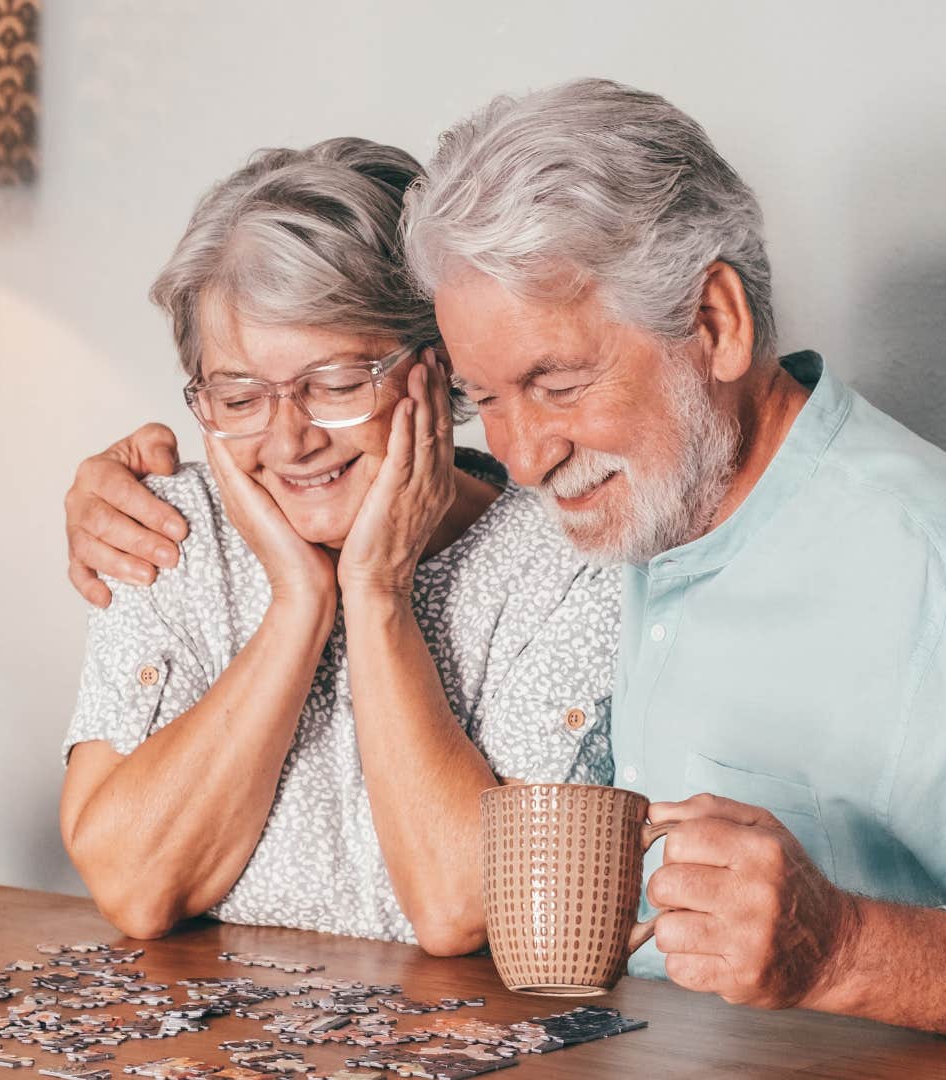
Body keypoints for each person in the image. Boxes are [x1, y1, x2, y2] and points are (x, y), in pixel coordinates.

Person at [62, 81, 946, 1058]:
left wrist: (847, 946)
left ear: (717, 324)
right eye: (485, 397)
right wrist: (141, 487)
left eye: (560, 385)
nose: (519, 455)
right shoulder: (623, 514)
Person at [58, 137, 617, 954]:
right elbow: (133, 886)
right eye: (239, 395)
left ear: (439, 366)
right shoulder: (161, 529)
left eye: (337, 384)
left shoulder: (564, 550)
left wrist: (378, 594)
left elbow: (468, 905)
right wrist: (298, 604)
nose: (290, 442)